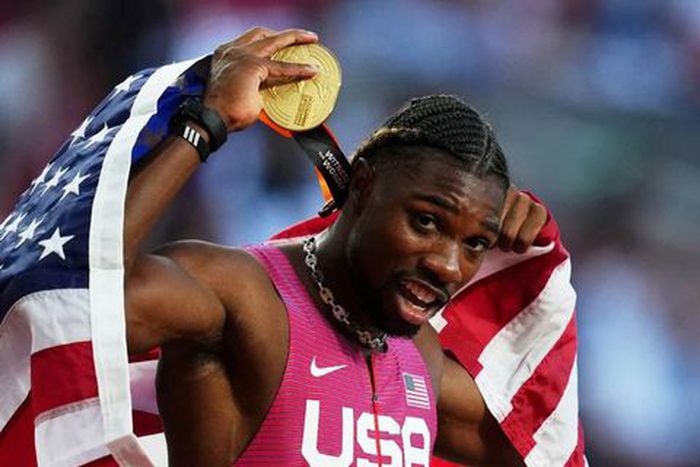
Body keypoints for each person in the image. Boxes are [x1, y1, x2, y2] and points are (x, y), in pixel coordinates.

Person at [124, 27, 548, 465]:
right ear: (362, 185)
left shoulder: (420, 354)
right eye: (425, 221)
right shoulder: (240, 295)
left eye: (476, 242)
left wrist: (540, 253)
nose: (448, 266)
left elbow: (542, 444)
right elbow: (87, 302)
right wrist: (204, 123)